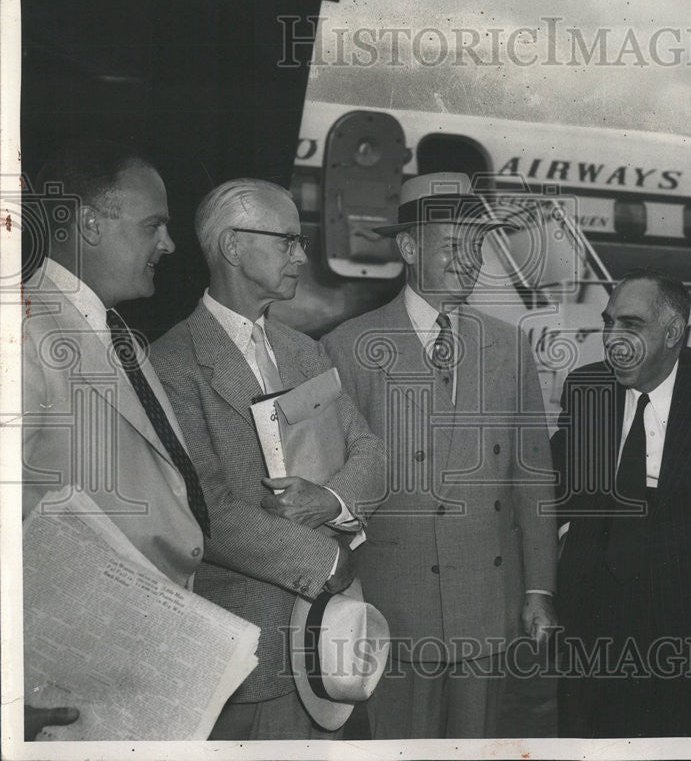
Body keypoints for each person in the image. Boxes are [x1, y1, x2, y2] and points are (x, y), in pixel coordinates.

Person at [321, 172, 558, 739]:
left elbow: (533, 478)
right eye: (453, 246)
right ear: (408, 248)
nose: (469, 260)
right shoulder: (348, 347)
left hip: (488, 599)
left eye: (478, 246)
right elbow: (331, 486)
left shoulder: (508, 345)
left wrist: (539, 590)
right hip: (393, 602)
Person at [149, 179, 384, 740]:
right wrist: (325, 562)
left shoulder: (305, 349)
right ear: (234, 247)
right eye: (288, 241)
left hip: (327, 648)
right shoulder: (172, 361)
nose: (302, 255)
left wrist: (329, 499)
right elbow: (203, 511)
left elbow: (370, 451)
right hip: (243, 656)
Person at [22, 139, 208, 736]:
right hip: (52, 688)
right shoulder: (21, 328)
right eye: (153, 225)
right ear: (89, 224)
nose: (170, 245)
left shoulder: (116, 332)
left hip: (125, 676)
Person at [552, 269, 691, 737]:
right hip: (593, 619)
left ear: (673, 332)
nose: (613, 341)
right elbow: (555, 488)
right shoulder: (586, 387)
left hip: (690, 622)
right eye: (608, 323)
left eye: (631, 325)